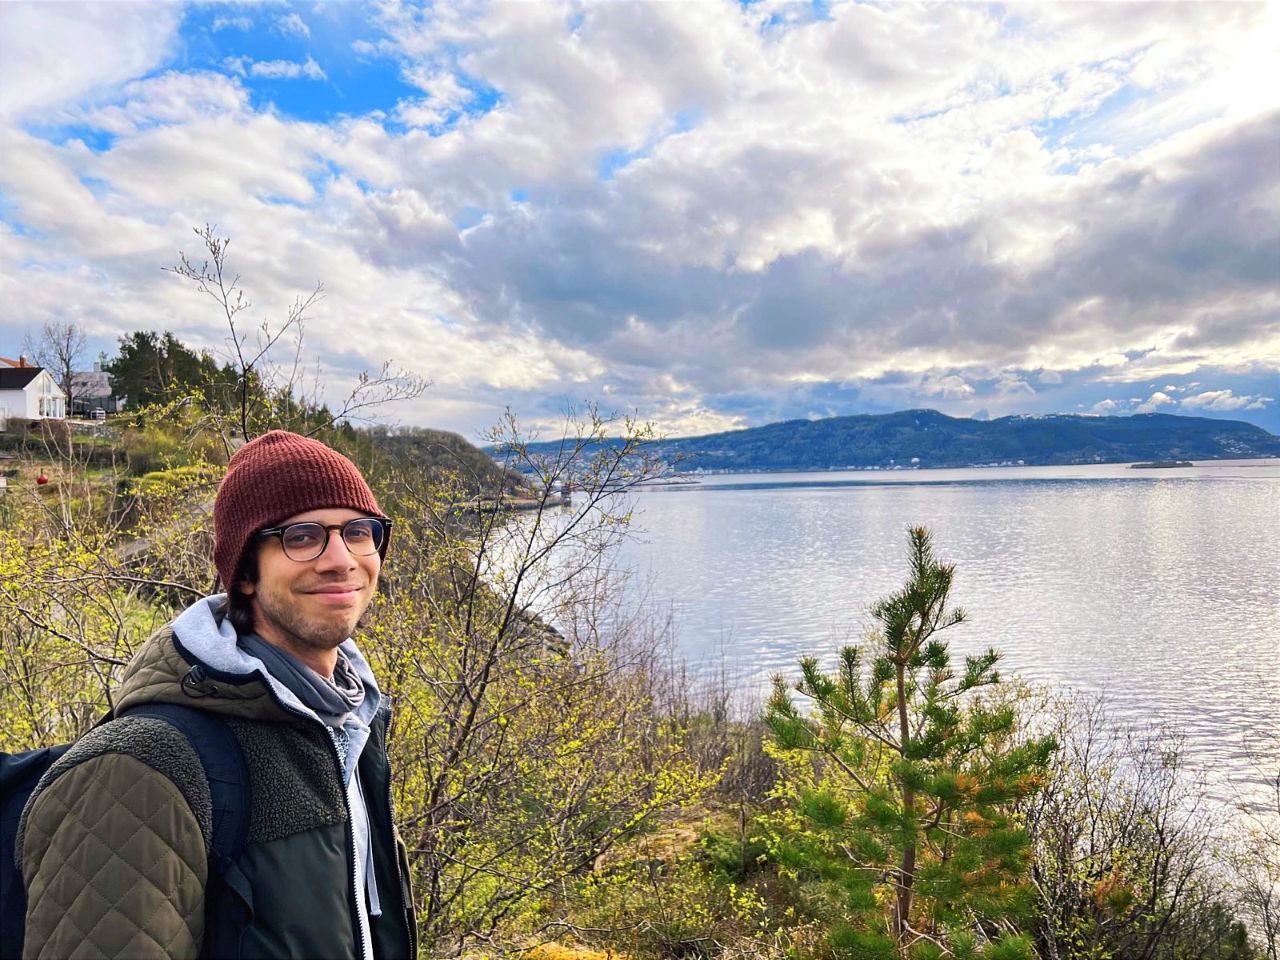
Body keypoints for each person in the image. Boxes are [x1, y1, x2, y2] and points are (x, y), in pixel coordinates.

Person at [17, 430, 416, 959]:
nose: (341, 559)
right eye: (301, 536)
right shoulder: (138, 770)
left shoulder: (348, 727)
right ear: (245, 573)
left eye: (359, 531)